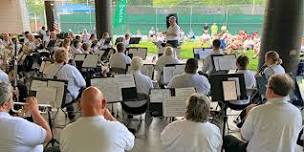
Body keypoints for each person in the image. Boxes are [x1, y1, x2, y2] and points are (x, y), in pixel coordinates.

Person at [223, 74, 302, 152]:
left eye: (267, 86)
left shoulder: (258, 111)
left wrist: (248, 114)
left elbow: (245, 136)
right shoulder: (297, 112)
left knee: (227, 139)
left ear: (271, 91)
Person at [60, 87, 135, 152]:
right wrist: (110, 117)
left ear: (79, 105)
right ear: (104, 104)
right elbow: (131, 143)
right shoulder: (118, 129)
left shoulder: (66, 131)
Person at [0, 82, 52, 152]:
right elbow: (48, 135)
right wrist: (35, 111)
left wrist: (19, 116)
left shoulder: (15, 123)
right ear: (5, 105)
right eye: (12, 98)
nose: (13, 101)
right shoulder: (17, 124)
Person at [43, 48, 86, 120]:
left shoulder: (48, 68)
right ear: (66, 57)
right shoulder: (71, 68)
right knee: (82, 89)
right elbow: (83, 83)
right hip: (67, 99)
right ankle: (74, 115)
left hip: (52, 98)